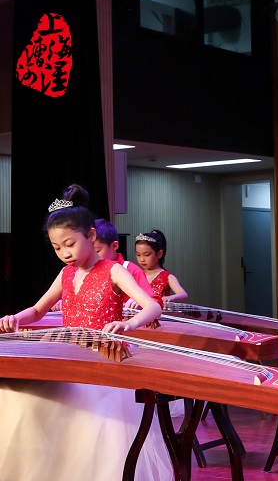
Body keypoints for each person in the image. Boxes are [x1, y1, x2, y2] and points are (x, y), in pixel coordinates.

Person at [0, 184, 172, 480]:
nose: (64, 253)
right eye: (57, 248)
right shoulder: (66, 273)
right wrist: (16, 317)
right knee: (17, 397)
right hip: (67, 358)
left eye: (70, 244)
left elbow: (153, 306)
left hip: (103, 362)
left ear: (91, 236)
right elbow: (38, 310)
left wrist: (129, 324)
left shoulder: (113, 270)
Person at [94, 218, 162, 309]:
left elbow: (155, 302)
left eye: (97, 251)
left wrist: (141, 302)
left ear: (114, 246)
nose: (91, 256)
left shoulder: (131, 270)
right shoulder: (84, 269)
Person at [135, 230, 188, 305]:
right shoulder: (136, 274)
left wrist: (171, 297)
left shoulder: (167, 277)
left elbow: (183, 294)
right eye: (138, 255)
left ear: (159, 254)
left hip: (159, 312)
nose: (142, 259)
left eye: (147, 255)